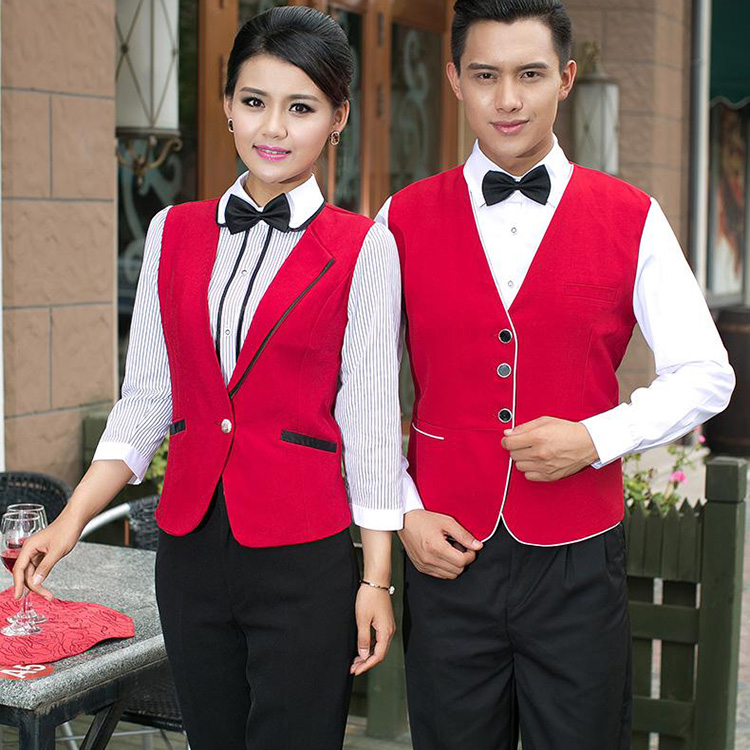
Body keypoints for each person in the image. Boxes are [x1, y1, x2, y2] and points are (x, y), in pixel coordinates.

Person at [13, 7, 404, 750]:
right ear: (226, 104)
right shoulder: (172, 231)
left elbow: (372, 424)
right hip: (190, 551)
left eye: (301, 108)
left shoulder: (366, 247)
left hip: (302, 555)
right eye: (254, 101)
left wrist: (375, 579)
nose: (273, 128)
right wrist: (69, 524)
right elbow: (146, 400)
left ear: (338, 118)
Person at [377, 1, 735, 748]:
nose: (507, 99)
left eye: (530, 74)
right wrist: (402, 509)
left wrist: (597, 437)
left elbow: (706, 372)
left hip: (578, 558)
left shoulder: (631, 215)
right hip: (445, 550)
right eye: (485, 76)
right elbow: (365, 390)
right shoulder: (400, 219)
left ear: (566, 79)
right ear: (454, 79)